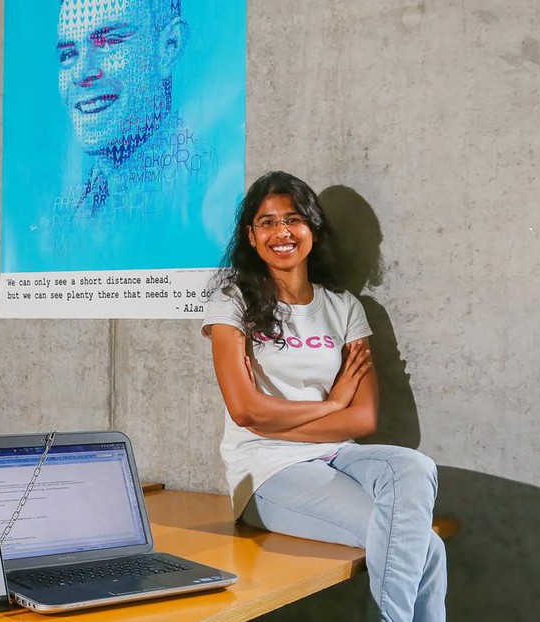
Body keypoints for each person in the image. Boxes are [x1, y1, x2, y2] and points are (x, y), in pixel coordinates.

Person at [202, 171, 447, 621]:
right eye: (267, 222)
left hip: (339, 455)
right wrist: (333, 404)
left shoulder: (344, 307)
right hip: (268, 469)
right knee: (422, 546)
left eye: (293, 219)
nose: (281, 232)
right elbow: (246, 411)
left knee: (416, 465)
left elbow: (365, 418)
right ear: (250, 235)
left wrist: (301, 416)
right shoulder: (231, 302)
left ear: (311, 228)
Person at [55, 0, 192, 214]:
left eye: (109, 42)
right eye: (68, 54)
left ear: (168, 47)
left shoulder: (195, 191)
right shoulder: (73, 210)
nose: (80, 73)